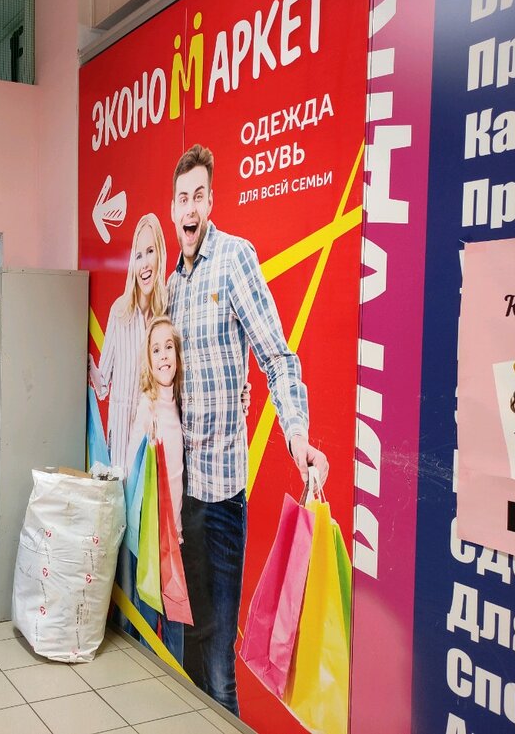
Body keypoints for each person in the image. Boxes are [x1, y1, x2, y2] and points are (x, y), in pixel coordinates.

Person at [166, 144, 329, 715]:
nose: (190, 208)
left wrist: (297, 435)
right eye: (181, 198)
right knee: (186, 651)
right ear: (173, 208)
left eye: (199, 196)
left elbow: (277, 358)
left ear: (211, 202)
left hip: (221, 499)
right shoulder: (172, 286)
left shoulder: (234, 258)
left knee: (218, 667)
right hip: (180, 496)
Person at [125, 314, 188, 664]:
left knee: (175, 629)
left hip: (175, 538)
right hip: (150, 540)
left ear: (177, 355)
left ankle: (174, 687)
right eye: (156, 350)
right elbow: (131, 472)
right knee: (149, 625)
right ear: (149, 361)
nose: (163, 356)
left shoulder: (182, 405)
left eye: (168, 348)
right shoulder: (147, 408)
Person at [89, 213, 168, 471]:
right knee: (120, 495)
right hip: (121, 435)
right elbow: (103, 385)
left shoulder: (166, 316)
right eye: (139, 255)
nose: (145, 264)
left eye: (150, 252)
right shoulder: (120, 312)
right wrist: (88, 365)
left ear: (160, 256)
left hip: (153, 436)